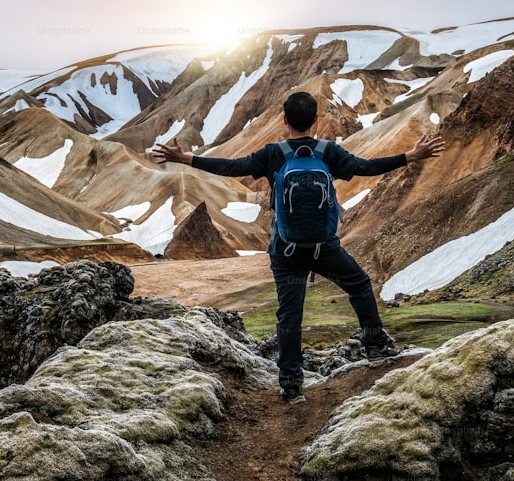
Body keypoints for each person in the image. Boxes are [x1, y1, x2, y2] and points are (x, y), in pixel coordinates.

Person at [152, 91, 446, 403]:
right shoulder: (328, 151)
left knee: (290, 315)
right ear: (316, 120)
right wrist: (411, 156)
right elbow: (365, 167)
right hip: (324, 248)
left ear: (284, 120)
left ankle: (292, 383)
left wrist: (185, 159)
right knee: (359, 284)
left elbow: (233, 167)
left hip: (286, 251)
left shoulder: (272, 154)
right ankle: (375, 345)